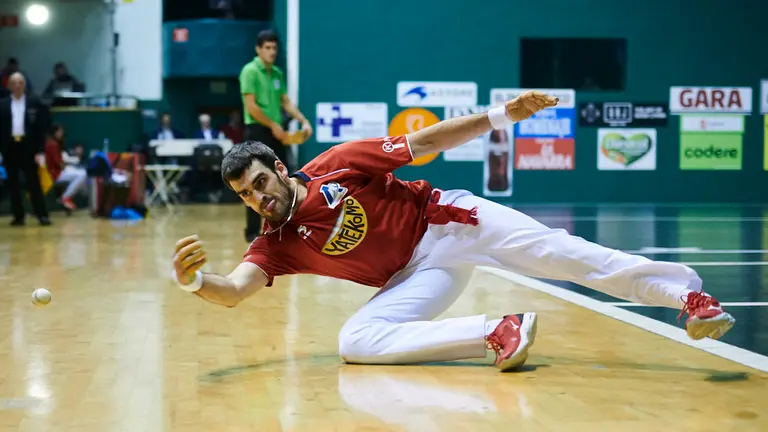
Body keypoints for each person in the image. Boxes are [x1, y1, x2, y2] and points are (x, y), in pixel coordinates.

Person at [170, 91, 735, 371]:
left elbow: (427, 143)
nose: (257, 197)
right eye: (245, 193)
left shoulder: (339, 163)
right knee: (354, 342)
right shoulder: (274, 244)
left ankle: (688, 297)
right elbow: (235, 291)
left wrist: (500, 116)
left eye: (260, 182)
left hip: (450, 225)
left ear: (281, 171)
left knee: (561, 254)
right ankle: (499, 330)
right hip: (417, 273)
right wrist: (195, 282)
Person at [239, 29, 312, 242]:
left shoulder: (277, 73)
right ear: (258, 49)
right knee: (254, 182)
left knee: (283, 176)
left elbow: (285, 102)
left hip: (275, 132)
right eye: (267, 48)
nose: (271, 52)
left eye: (274, 48)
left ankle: (287, 223)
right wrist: (273, 125)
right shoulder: (250, 71)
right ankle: (253, 233)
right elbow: (251, 107)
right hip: (258, 131)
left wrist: (303, 120)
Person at [0, 72, 51, 226]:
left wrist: (40, 151)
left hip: (28, 147)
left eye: (20, 83)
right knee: (13, 183)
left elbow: (41, 128)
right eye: (13, 83)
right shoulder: (2, 105)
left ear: (25, 85)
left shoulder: (34, 103)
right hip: (9, 147)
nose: (17, 86)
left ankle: (42, 214)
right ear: (8, 86)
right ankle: (18, 216)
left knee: (33, 181)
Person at [44, 124, 87, 210]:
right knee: (82, 174)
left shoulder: (52, 143)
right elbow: (60, 164)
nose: (62, 133)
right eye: (60, 132)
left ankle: (73, 198)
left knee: (81, 173)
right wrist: (67, 165)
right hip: (54, 174)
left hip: (56, 171)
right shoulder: (53, 144)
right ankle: (65, 197)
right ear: (54, 133)